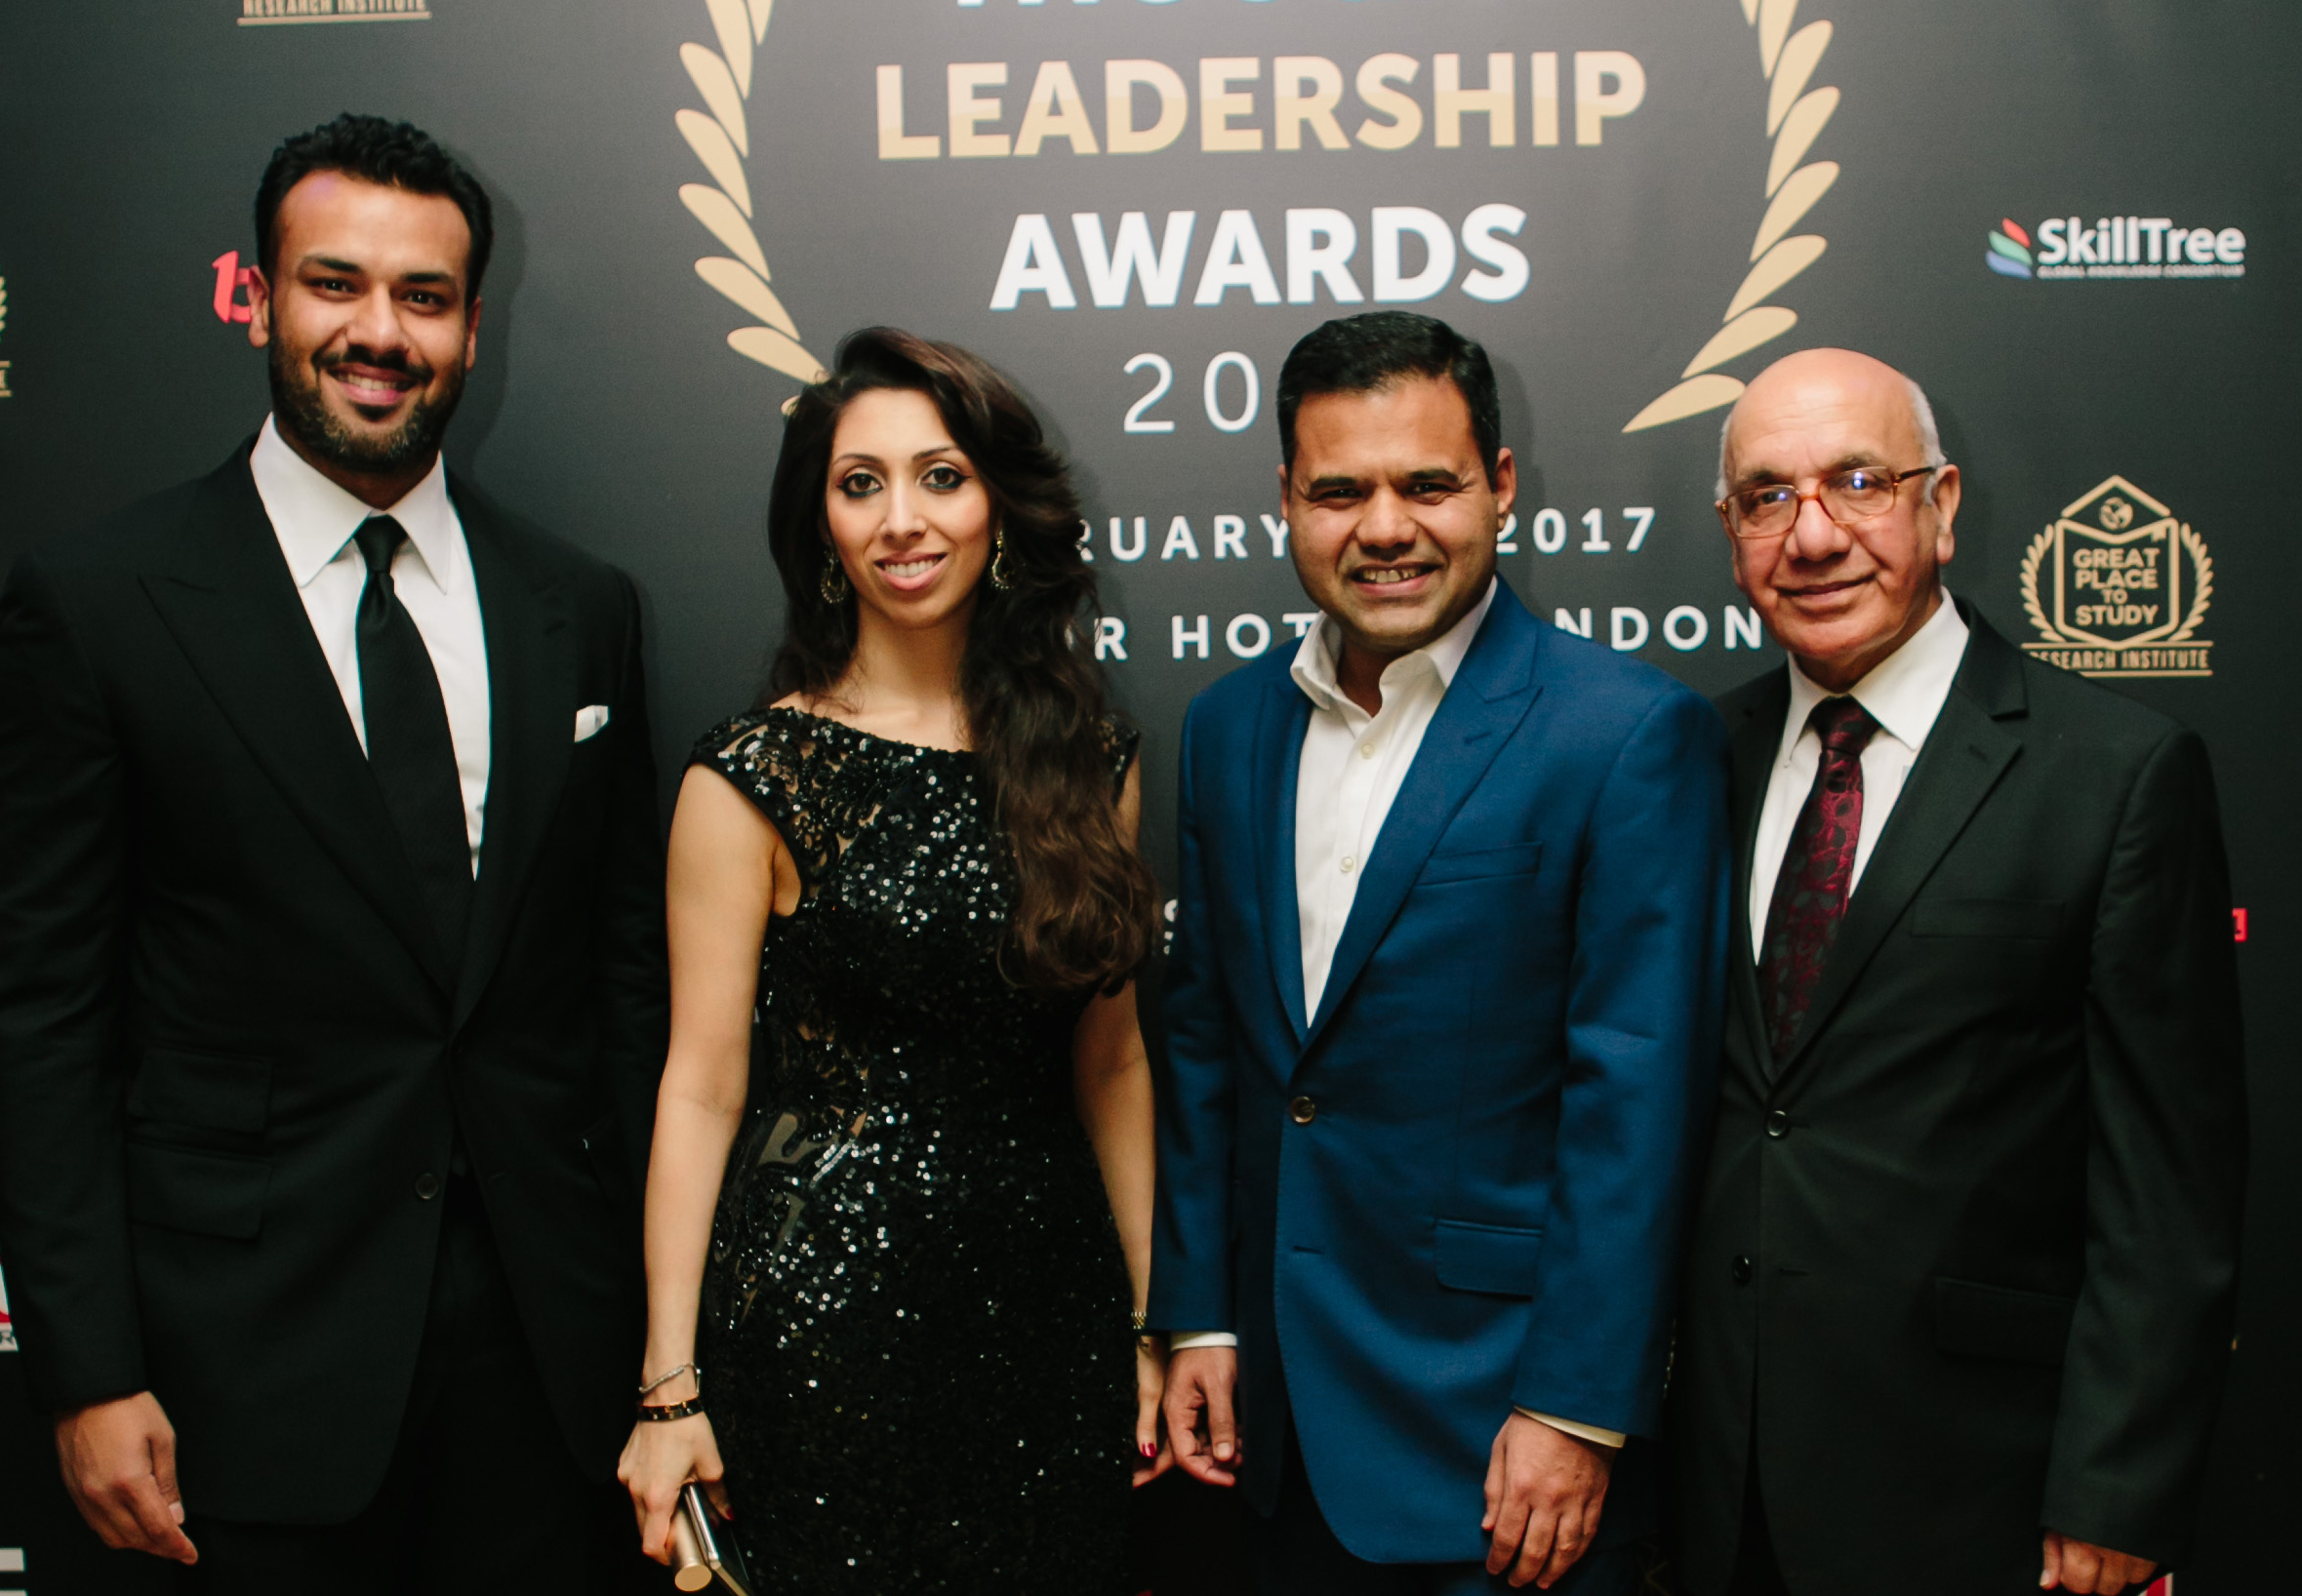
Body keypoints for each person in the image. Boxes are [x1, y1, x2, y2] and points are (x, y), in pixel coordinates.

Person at [0, 115, 669, 1589]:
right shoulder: (101, 603)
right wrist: (87, 1367)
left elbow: (623, 990)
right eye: (334, 283)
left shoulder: (579, 606)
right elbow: (43, 1017)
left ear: (473, 328)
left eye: (424, 296)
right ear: (257, 297)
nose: (379, 333)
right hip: (231, 1376)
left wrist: (662, 1352)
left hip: (545, 1377)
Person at [1151, 310, 1731, 1595]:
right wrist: (1197, 1311)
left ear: (1501, 484)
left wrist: (1577, 1406)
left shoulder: (1626, 732)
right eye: (1338, 491)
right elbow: (1204, 1047)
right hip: (1270, 1433)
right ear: (1286, 499)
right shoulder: (1226, 726)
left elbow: (1636, 1103)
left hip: (1501, 1441)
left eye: (1427, 484)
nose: (1385, 528)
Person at [1667, 347, 2246, 1596]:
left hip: (1980, 1490)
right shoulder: (1687, 760)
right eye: (1766, 497)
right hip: (1712, 1488)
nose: (1810, 535)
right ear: (1729, 533)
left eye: (1857, 482)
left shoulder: (2115, 772)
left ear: (1941, 504)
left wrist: (2116, 1486)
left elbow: (2168, 1188)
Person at [615, 328, 1164, 1591]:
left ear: (998, 507)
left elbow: (1114, 1064)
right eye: (860, 483)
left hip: (1050, 1317)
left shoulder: (1091, 764)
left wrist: (1150, 1316)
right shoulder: (752, 776)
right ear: (821, 524)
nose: (902, 518)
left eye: (941, 476)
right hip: (826, 1328)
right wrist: (668, 1386)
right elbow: (701, 1087)